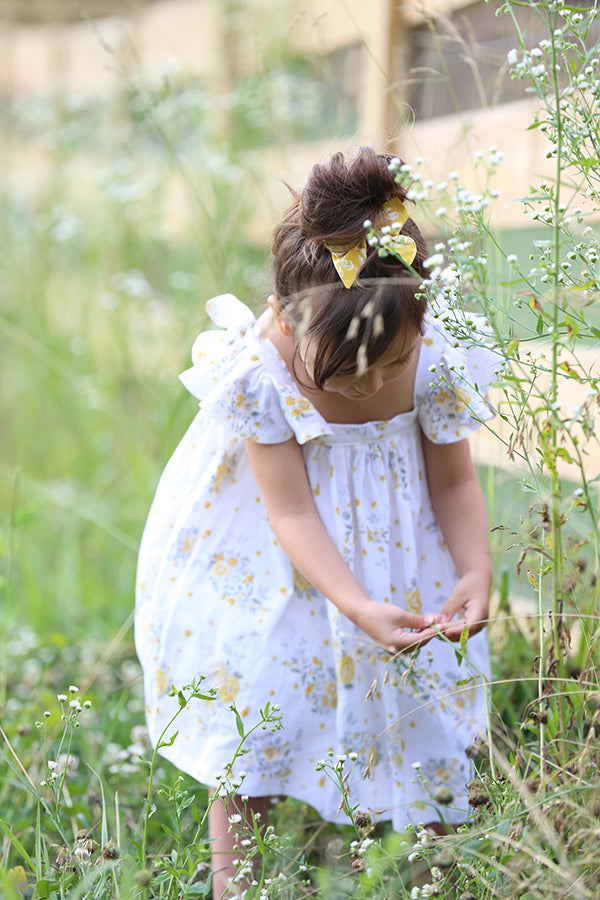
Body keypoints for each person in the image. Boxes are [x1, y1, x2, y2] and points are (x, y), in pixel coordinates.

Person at [135, 147, 497, 898]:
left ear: (421, 322)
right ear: (287, 322)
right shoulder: (260, 372)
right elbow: (289, 509)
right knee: (261, 702)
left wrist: (474, 569)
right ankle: (239, 879)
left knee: (422, 695)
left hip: (403, 549)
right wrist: (355, 604)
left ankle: (427, 863)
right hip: (275, 567)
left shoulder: (433, 358)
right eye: (342, 370)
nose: (370, 384)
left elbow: (455, 478)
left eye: (389, 366)